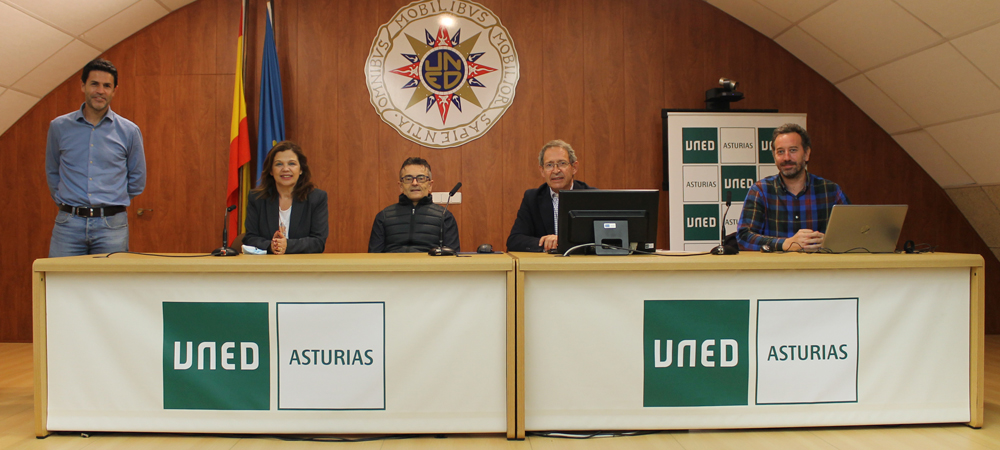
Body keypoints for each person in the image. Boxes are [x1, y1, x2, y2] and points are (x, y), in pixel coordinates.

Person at [46, 58, 146, 257]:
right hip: (68, 225)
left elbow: (137, 180)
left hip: (111, 226)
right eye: (95, 84)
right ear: (83, 85)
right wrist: (66, 202)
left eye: (107, 86)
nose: (100, 91)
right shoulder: (59, 127)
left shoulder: (129, 131)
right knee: (62, 285)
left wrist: (111, 201)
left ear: (114, 90)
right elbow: (52, 170)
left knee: (109, 286)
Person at [737, 123, 849, 252]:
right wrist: (786, 243)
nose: (786, 158)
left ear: (806, 154)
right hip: (774, 270)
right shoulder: (761, 190)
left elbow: (854, 234)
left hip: (820, 270)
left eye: (793, 150)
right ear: (774, 156)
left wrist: (829, 241)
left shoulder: (831, 191)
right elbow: (743, 238)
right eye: (780, 152)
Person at [507, 139, 594, 252]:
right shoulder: (532, 198)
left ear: (574, 167)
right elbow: (514, 240)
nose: (556, 170)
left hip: (582, 266)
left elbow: (604, 240)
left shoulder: (591, 197)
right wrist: (545, 242)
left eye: (562, 163)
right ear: (542, 171)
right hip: (546, 266)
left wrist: (563, 242)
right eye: (549, 165)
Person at [244, 141, 328, 254]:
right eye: (279, 164)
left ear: (301, 169)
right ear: (271, 171)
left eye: (292, 164)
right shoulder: (257, 198)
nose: (285, 169)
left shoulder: (316, 198)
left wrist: (287, 245)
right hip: (267, 267)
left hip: (303, 267)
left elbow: (318, 242)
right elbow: (249, 238)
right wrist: (271, 245)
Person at [368, 157, 459, 253]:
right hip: (393, 267)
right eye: (408, 179)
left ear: (430, 185)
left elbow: (453, 257)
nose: (414, 183)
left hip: (430, 267)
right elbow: (373, 256)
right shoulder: (384, 217)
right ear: (401, 186)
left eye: (421, 178)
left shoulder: (445, 216)